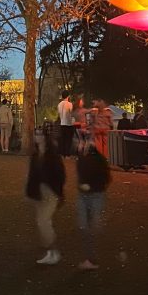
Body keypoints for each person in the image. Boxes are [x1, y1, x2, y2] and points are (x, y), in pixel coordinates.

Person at [26, 138, 66, 266]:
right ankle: (50, 252)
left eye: (41, 135)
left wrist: (58, 192)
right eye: (36, 135)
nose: (38, 138)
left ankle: (53, 250)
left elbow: (60, 175)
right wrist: (30, 190)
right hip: (40, 191)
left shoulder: (52, 156)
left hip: (51, 191)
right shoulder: (36, 155)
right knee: (42, 221)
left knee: (43, 221)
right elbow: (32, 175)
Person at [75, 145, 111, 270]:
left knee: (89, 226)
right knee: (87, 226)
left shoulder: (89, 159)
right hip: (90, 194)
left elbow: (106, 178)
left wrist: (89, 186)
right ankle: (91, 256)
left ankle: (92, 256)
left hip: (93, 194)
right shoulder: (86, 159)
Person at [57, 90, 74, 157]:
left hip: (62, 123)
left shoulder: (59, 104)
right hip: (69, 124)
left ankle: (63, 154)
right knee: (68, 140)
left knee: (63, 140)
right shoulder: (70, 104)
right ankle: (67, 154)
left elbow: (59, 114)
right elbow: (71, 114)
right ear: (68, 96)